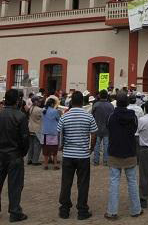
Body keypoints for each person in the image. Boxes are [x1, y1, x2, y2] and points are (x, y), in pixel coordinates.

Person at [0, 89, 30, 222]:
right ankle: (14, 211)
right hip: (14, 154)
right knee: (15, 185)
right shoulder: (20, 116)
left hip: (1, 154)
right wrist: (22, 152)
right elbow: (24, 138)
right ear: (17, 101)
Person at [58, 91, 98, 220]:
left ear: (70, 102)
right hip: (83, 155)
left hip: (68, 154)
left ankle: (64, 210)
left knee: (66, 182)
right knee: (83, 183)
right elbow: (94, 134)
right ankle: (82, 210)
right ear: (82, 102)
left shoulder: (65, 116)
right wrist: (91, 148)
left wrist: (62, 146)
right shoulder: (88, 116)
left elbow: (59, 134)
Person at [104, 93, 142, 219]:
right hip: (130, 150)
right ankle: (136, 209)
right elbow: (135, 129)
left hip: (115, 151)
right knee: (132, 181)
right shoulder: (133, 117)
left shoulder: (111, 117)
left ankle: (112, 211)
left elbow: (108, 128)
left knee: (114, 182)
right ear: (127, 103)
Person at [92, 90, 114, 166]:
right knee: (106, 145)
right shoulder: (110, 106)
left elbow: (92, 116)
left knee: (96, 145)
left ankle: (96, 161)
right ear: (107, 96)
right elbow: (112, 117)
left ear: (99, 96)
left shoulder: (96, 105)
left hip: (97, 128)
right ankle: (106, 161)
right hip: (107, 129)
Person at [41, 98, 61, 170]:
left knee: (46, 149)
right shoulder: (55, 111)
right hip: (53, 132)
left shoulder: (43, 111)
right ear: (52, 104)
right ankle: (55, 164)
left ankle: (46, 164)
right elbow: (59, 119)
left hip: (45, 132)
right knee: (54, 149)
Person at [26, 95, 43, 166]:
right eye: (39, 101)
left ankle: (29, 159)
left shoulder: (30, 108)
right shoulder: (39, 110)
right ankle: (35, 160)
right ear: (36, 101)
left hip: (30, 128)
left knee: (31, 145)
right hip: (37, 129)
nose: (40, 102)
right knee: (37, 146)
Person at [127, 94, 144, 162]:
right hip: (137, 132)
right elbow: (142, 120)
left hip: (128, 132)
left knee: (129, 147)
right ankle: (137, 161)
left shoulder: (127, 108)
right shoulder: (139, 109)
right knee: (138, 148)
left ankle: (129, 160)